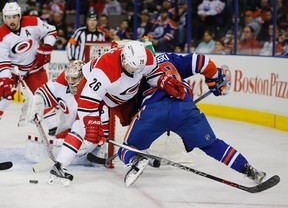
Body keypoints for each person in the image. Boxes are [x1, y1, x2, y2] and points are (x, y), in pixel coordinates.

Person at [116, 43, 266, 187]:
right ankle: (248, 169)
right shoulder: (169, 58)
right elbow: (202, 61)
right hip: (184, 108)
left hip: (153, 112)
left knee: (127, 147)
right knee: (212, 145)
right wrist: (213, 78)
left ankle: (136, 158)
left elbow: (124, 106)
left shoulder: (133, 74)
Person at [43, 40, 187, 185]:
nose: (137, 71)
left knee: (142, 120)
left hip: (122, 95)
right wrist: (92, 125)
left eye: (139, 68)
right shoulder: (104, 70)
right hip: (94, 93)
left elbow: (152, 72)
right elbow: (88, 101)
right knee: (82, 127)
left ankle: (137, 152)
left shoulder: (144, 58)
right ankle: (59, 166)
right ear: (123, 58)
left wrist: (163, 81)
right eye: (132, 67)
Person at [27, 60, 110, 178]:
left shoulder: (92, 90)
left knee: (82, 140)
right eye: (69, 78)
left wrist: (103, 135)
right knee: (62, 139)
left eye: (74, 79)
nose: (71, 82)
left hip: (88, 128)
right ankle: (64, 159)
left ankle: (65, 160)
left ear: (83, 76)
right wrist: (36, 105)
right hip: (67, 124)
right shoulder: (62, 83)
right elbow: (43, 93)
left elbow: (103, 115)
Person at [0, 2, 58, 135]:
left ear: (19, 16)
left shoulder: (33, 22)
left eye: (14, 17)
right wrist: (5, 79)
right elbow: (3, 61)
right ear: (4, 18)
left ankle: (54, 126)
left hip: (34, 68)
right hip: (14, 69)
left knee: (43, 95)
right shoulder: (1, 35)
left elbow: (51, 30)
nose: (11, 21)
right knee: (5, 94)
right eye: (8, 17)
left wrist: (47, 47)